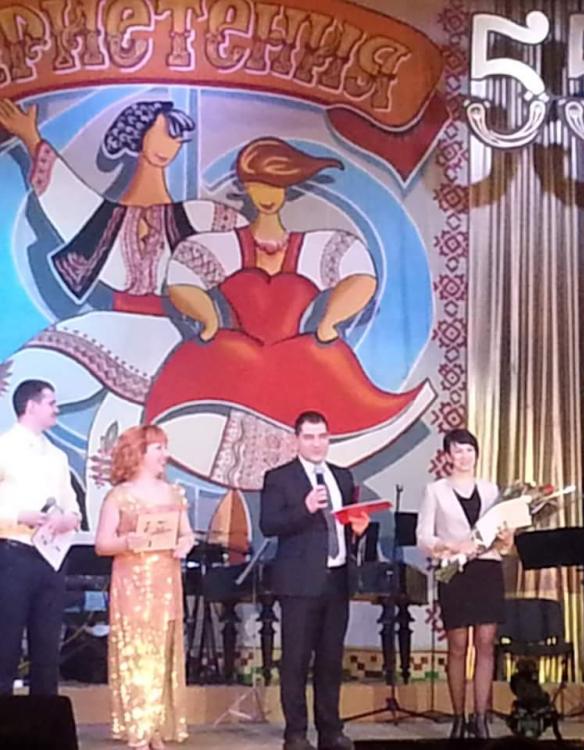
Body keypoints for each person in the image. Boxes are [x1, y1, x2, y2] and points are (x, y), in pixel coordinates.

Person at [0, 97, 245, 527]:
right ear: (139, 135)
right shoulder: (108, 216)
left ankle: (102, 540)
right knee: (18, 383)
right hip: (113, 330)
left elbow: (244, 238)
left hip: (163, 339)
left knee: (110, 452)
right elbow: (66, 197)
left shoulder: (195, 216)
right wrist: (32, 138)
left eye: (177, 136)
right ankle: (39, 517)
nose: (170, 144)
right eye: (163, 132)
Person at [145, 136, 435, 487]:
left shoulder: (315, 246)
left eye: (276, 185)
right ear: (246, 189)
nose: (266, 195)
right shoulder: (220, 246)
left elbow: (360, 275)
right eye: (257, 185)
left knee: (324, 405)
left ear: (287, 189)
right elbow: (183, 278)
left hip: (299, 359)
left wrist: (329, 323)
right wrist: (208, 321)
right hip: (233, 358)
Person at [260, 411, 370, 750]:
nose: (316, 443)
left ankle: (330, 730)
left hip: (337, 579)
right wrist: (305, 508)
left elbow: (341, 527)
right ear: (296, 440)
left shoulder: (342, 476)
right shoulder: (280, 478)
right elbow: (269, 524)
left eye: (322, 436)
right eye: (309, 437)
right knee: (295, 661)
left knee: (330, 660)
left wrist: (357, 530)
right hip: (299, 582)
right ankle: (295, 733)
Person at [94, 425, 195, 749]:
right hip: (132, 582)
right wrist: (128, 541)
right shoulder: (119, 496)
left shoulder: (174, 493)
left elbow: (187, 533)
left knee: (162, 651)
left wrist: (185, 544)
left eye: (165, 447)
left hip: (166, 580)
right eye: (158, 448)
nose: (165, 454)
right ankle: (139, 726)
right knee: (137, 650)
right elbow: (102, 544)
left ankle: (155, 726)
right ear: (139, 453)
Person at [416, 428, 513, 739]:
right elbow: (423, 537)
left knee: (485, 643)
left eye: (469, 450)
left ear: (477, 454)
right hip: (455, 572)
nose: (464, 456)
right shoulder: (435, 491)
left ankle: (480, 717)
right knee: (458, 646)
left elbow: (502, 541)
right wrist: (452, 546)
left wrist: (507, 537)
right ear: (447, 456)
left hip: (487, 570)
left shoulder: (490, 489)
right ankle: (458, 717)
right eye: (457, 451)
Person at [0, 380, 81, 695]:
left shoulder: (57, 456)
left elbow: (71, 504)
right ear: (31, 406)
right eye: (51, 403)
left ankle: (43, 718)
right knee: (6, 644)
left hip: (51, 558)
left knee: (47, 650)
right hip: (12, 553)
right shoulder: (4, 447)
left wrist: (68, 519)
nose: (56, 409)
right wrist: (20, 515)